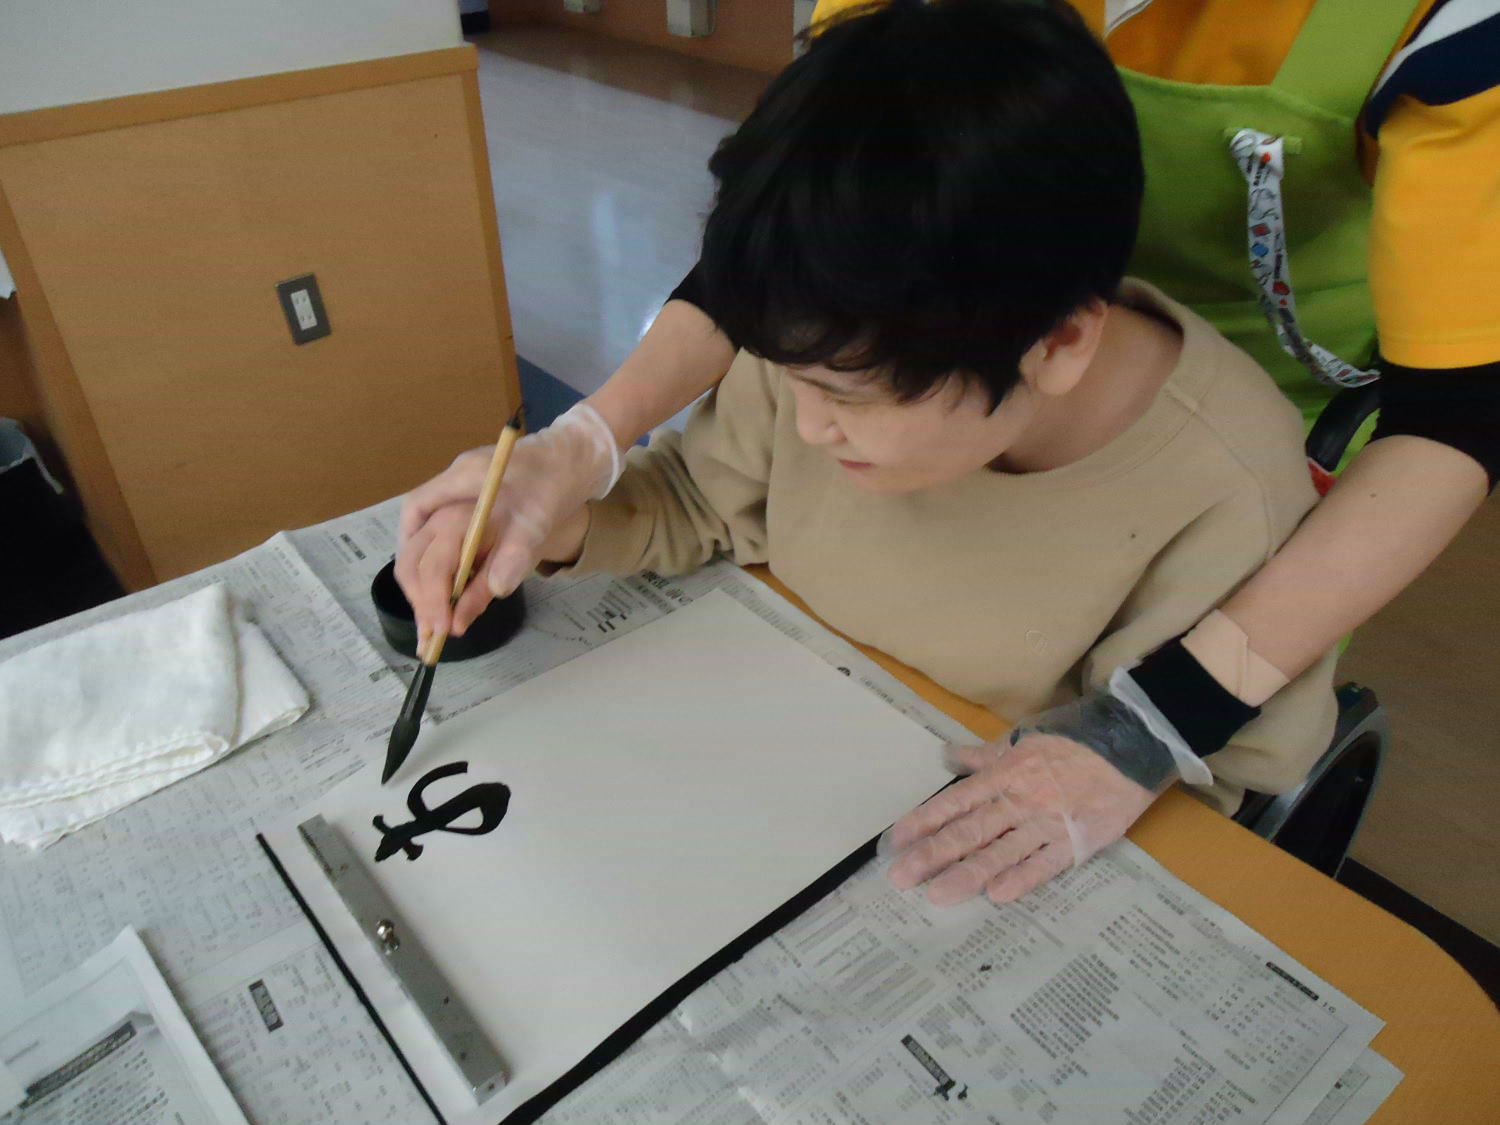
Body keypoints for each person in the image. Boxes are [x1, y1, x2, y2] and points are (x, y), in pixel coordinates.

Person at [398, 0, 1497, 903]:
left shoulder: (1223, 501)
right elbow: (716, 458)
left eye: (839, 396)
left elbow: (1189, 805)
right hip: (950, 330)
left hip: (1099, 389)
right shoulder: (830, 355)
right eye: (790, 376)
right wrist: (579, 468)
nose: (807, 426)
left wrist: (1137, 738)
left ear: (1059, 342)